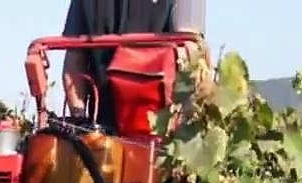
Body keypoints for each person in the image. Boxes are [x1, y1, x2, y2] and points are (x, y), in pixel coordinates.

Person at [60, 0, 205, 124]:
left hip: (159, 129)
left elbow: (189, 47)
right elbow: (74, 63)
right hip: (105, 131)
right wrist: (80, 122)